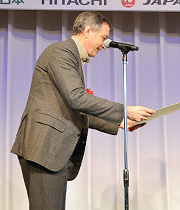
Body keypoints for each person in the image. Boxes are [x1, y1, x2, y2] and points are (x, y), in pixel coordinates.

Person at [11, 11, 155, 210]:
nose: (104, 45)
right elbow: (76, 98)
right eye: (103, 38)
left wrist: (119, 123)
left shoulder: (72, 57)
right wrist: (124, 110)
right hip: (44, 148)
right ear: (88, 30)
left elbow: (75, 109)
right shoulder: (61, 52)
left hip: (50, 151)